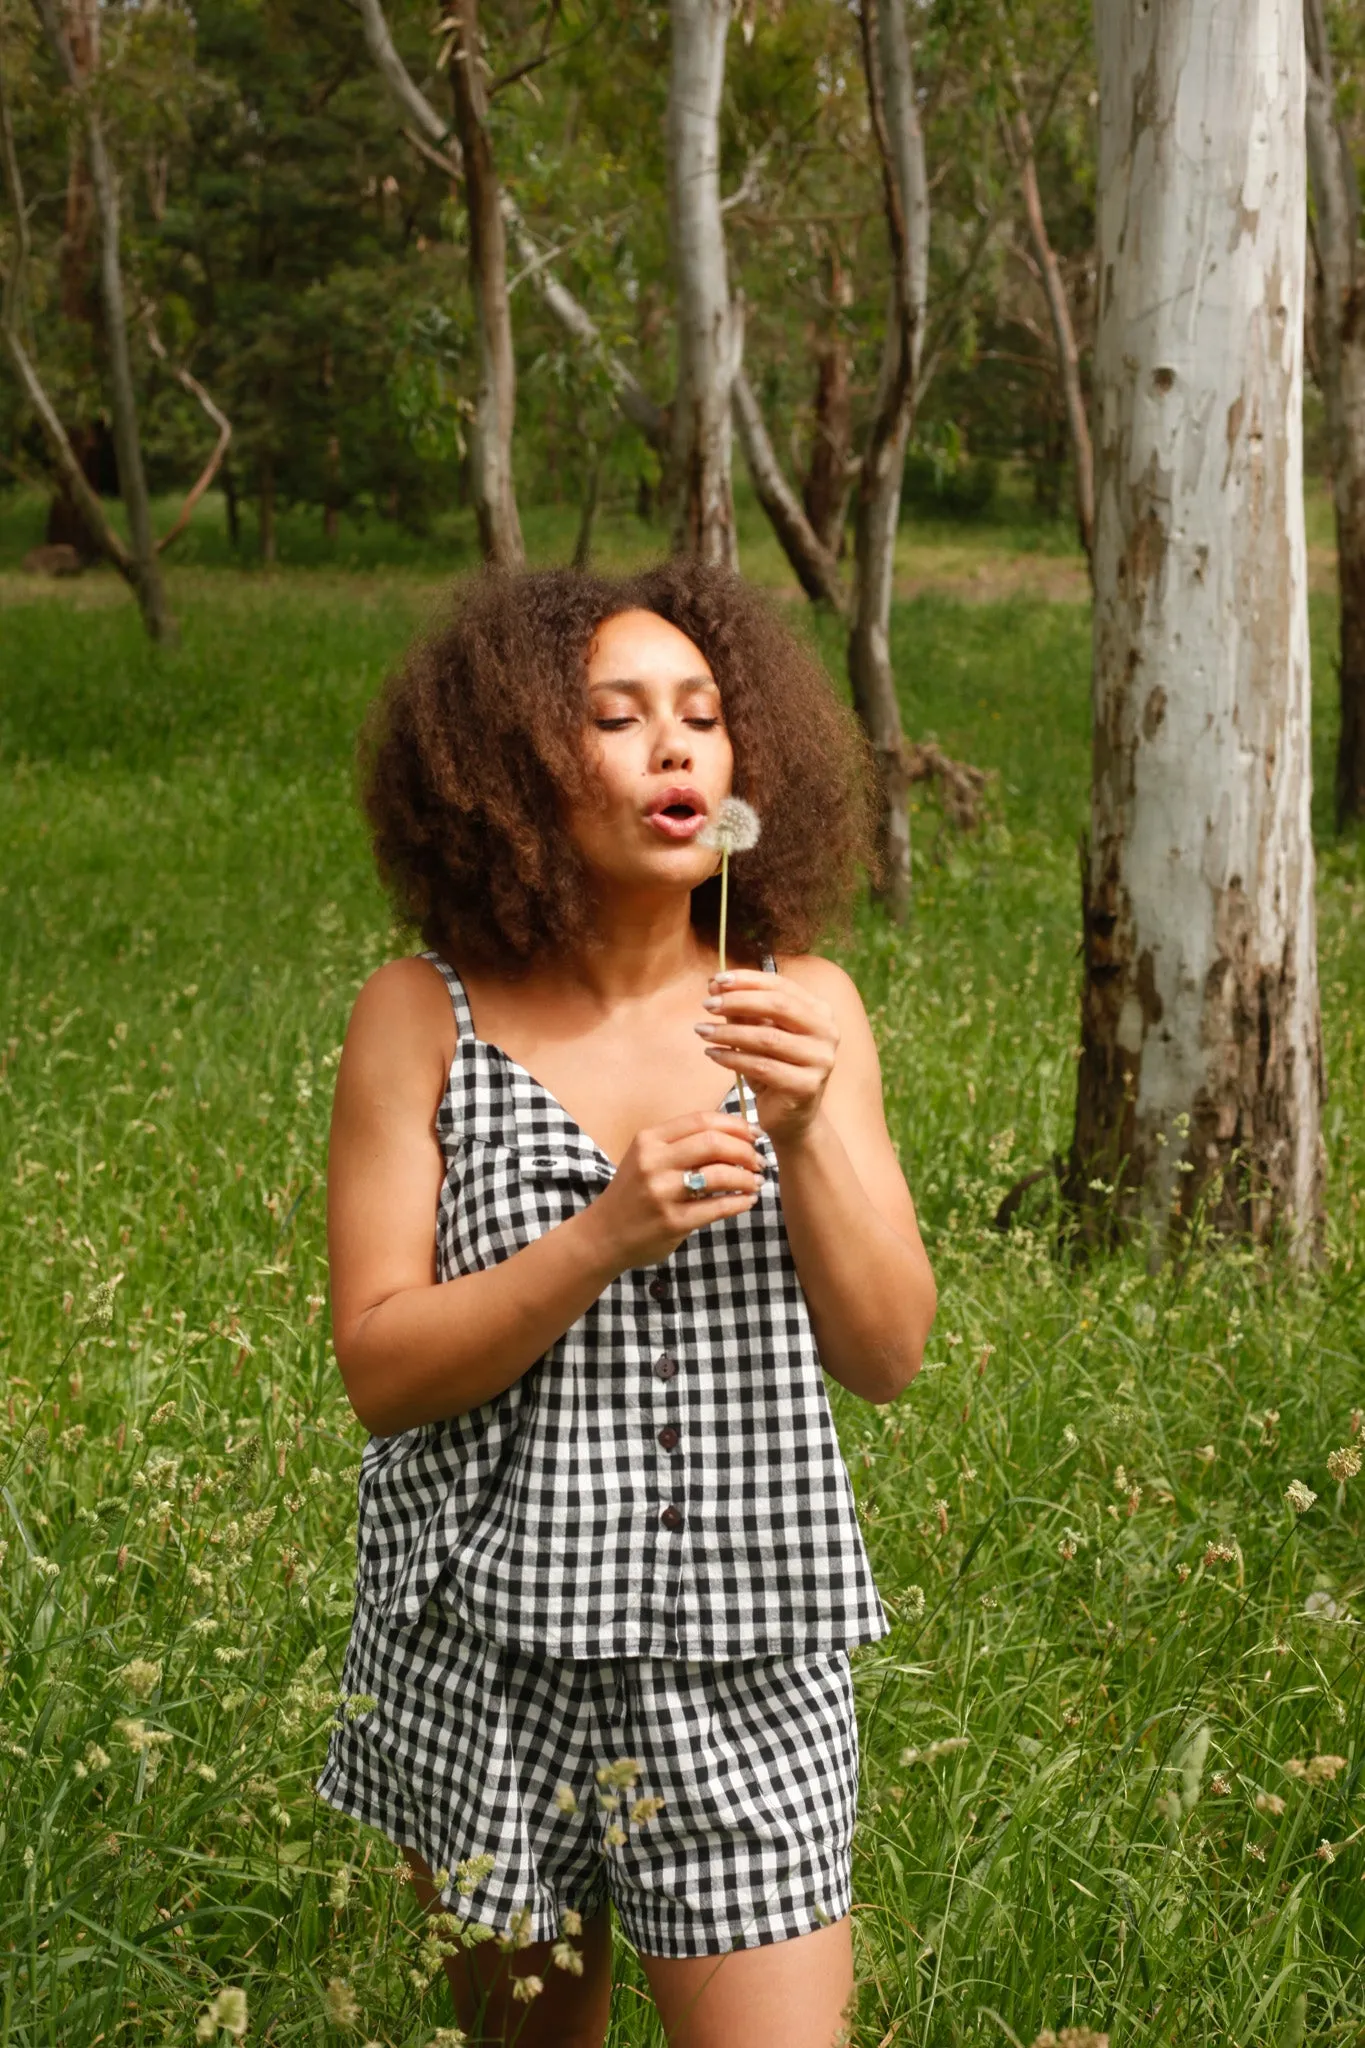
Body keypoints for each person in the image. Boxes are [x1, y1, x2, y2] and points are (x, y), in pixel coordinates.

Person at [314, 556, 936, 2048]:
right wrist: (602, 1234)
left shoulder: (806, 1008)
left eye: (704, 716)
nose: (675, 746)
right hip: (484, 1653)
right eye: (617, 715)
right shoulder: (422, 1016)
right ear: (512, 768)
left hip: (746, 1651)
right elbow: (381, 1369)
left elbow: (890, 1352)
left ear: (740, 769)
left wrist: (804, 1128)